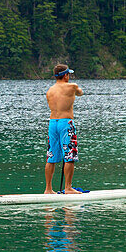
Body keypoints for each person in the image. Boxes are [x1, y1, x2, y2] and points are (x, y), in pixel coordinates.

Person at [44, 64, 82, 194]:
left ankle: (48, 189)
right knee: (69, 156)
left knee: (51, 156)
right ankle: (68, 188)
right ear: (65, 75)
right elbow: (80, 93)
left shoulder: (50, 91)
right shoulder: (72, 86)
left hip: (53, 123)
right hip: (66, 123)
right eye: (68, 74)